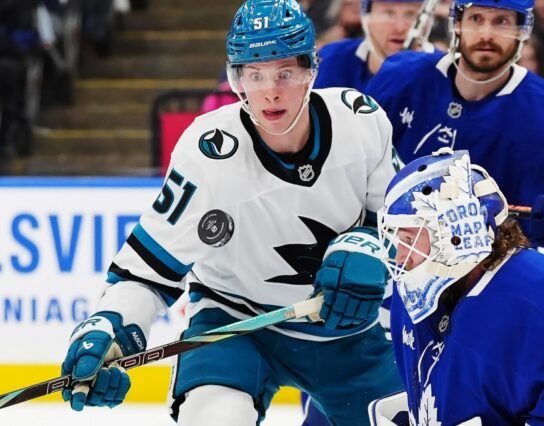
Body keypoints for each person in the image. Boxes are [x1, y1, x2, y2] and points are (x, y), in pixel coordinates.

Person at [59, 0, 403, 424]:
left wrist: (371, 245)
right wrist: (108, 327)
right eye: (254, 75)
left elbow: (404, 226)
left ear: (311, 70)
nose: (270, 91)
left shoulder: (360, 121)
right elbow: (147, 271)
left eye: (284, 73)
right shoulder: (207, 153)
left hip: (348, 331)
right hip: (235, 326)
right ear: (236, 78)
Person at [370, 148, 544, 425]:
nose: (400, 258)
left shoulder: (535, 304)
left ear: (454, 236)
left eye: (409, 240)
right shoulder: (414, 297)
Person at [366, 0, 544, 285]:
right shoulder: (400, 78)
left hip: (480, 291)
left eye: (502, 22)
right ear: (457, 23)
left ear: (523, 29)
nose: (487, 34)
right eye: (476, 19)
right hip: (388, 274)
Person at [314, 0, 426, 92]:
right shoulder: (331, 60)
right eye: (389, 13)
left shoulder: (435, 72)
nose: (399, 28)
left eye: (410, 14)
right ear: (366, 17)